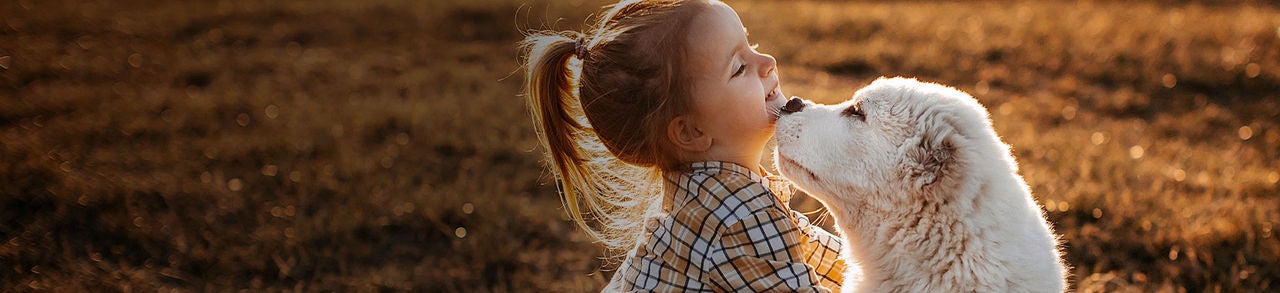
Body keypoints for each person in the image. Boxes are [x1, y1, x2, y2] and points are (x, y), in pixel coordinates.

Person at [521, 0, 848, 291]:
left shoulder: (694, 196)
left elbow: (814, 251)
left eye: (752, 43)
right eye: (739, 68)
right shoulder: (741, 216)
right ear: (690, 132)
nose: (768, 61)